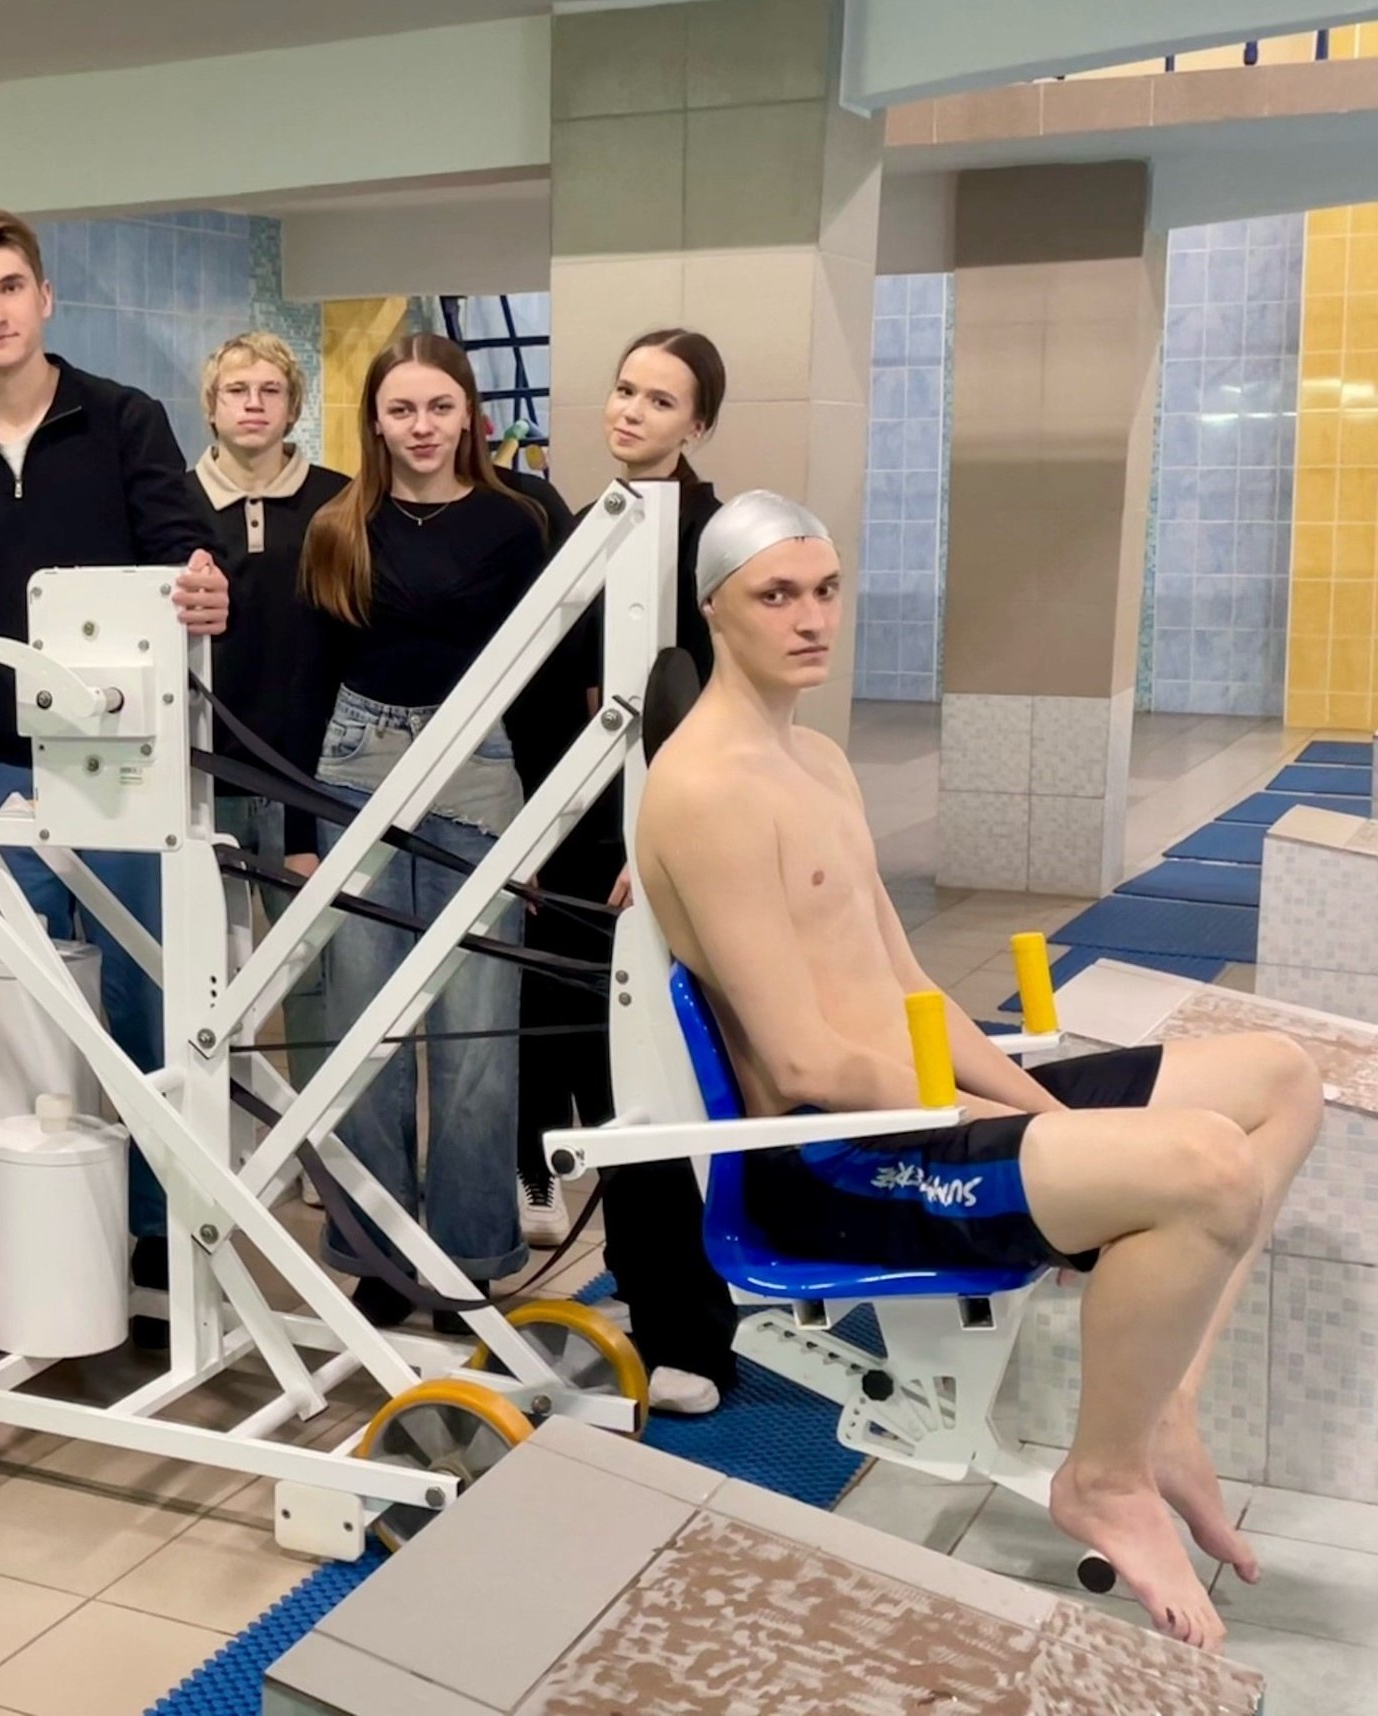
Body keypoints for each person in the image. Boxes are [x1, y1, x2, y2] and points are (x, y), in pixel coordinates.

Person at [637, 490, 1321, 1652]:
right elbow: (801, 1061)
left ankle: (1166, 1414)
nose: (811, 618)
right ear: (714, 609)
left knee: (1278, 1081)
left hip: (917, 1110)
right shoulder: (706, 789)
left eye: (826, 590)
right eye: (776, 595)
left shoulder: (818, 760)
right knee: (1207, 1169)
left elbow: (912, 988)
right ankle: (1103, 1477)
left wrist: (1039, 1109)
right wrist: (981, 1112)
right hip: (837, 1161)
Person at [0, 207, 228, 1342]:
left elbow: (189, 560)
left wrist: (207, 587)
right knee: (23, 1025)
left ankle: (158, 1244)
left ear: (45, 297)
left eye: (10, 287)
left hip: (122, 772)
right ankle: (39, 1247)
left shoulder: (123, 421)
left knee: (148, 1010)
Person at [289, 332, 559, 1334]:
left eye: (439, 407)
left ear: (470, 415)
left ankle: (469, 1258)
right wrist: (302, 827)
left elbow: (540, 683)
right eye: (401, 409)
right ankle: (375, 1253)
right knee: (364, 1032)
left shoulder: (517, 521)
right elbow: (307, 676)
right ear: (374, 421)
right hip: (354, 764)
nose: (421, 427)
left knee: (476, 1036)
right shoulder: (337, 525)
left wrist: (545, 829)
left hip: (481, 768)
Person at [516, 327, 738, 1416]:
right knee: (591, 1089)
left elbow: (711, 716)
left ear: (698, 423)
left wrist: (657, 851)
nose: (630, 411)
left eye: (658, 400)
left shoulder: (709, 537)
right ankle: (643, 1307)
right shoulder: (590, 521)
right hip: (573, 843)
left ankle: (691, 1335)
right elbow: (547, 694)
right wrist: (541, 837)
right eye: (622, 390)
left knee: (656, 1093)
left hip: (650, 853)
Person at [185, 332, 348, 1106]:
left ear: (293, 406)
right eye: (236, 391)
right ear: (210, 406)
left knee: (317, 978)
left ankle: (321, 1139)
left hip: (309, 779)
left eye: (269, 391)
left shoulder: (339, 502)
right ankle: (215, 1138)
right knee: (203, 980)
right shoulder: (170, 504)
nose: (252, 405)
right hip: (202, 778)